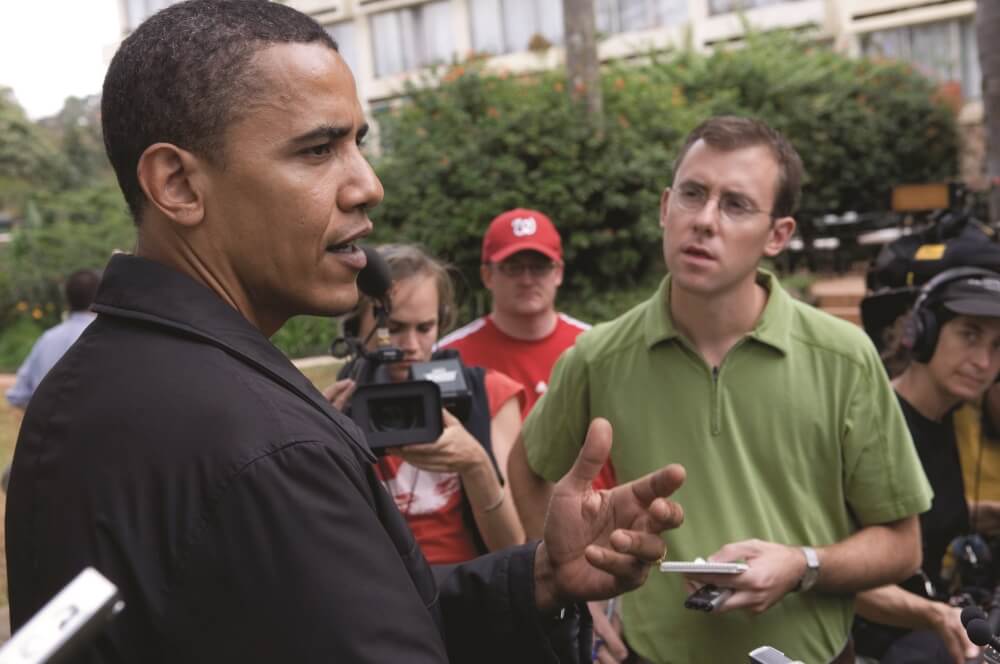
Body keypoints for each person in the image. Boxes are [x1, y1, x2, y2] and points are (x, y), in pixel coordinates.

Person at [4, 2, 688, 662]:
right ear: (178, 184)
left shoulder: (80, 387)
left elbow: (323, 617)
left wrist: (540, 576)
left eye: (357, 142)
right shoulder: (265, 443)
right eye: (317, 149)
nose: (368, 184)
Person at [509, 116, 933, 664]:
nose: (705, 221)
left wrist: (801, 564)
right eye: (692, 194)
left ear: (778, 235)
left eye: (736, 205)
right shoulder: (598, 356)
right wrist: (566, 585)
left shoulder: (843, 355)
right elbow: (528, 465)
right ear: (665, 207)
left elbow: (903, 545)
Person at [325, 244, 526, 563]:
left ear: (442, 322)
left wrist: (476, 465)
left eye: (425, 328)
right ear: (355, 329)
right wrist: (322, 445)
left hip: (472, 587)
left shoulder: (490, 393)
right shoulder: (338, 407)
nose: (411, 346)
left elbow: (513, 548)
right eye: (393, 329)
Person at [852, 268, 1000, 664]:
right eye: (969, 335)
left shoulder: (946, 416)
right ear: (924, 332)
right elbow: (834, 575)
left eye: (998, 346)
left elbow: (923, 515)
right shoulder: (874, 421)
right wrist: (937, 616)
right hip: (879, 640)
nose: (984, 361)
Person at [438, 208, 590, 417]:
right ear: (487, 275)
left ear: (558, 273)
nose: (527, 280)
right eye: (513, 267)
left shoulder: (592, 347)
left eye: (539, 267)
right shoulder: (448, 357)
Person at [5, 269, 100, 410]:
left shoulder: (48, 339)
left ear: (67, 299)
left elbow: (18, 395)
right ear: (100, 298)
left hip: (45, 427)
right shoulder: (107, 341)